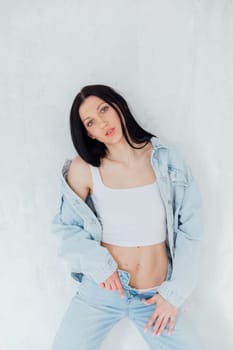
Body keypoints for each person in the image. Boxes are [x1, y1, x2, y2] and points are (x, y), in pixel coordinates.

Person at [51, 84, 204, 350]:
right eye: (91, 122)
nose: (102, 123)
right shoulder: (84, 169)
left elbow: (191, 230)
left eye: (104, 109)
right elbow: (66, 229)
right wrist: (100, 267)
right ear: (88, 132)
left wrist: (174, 295)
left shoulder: (167, 159)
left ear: (118, 106)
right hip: (104, 292)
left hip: (156, 296)